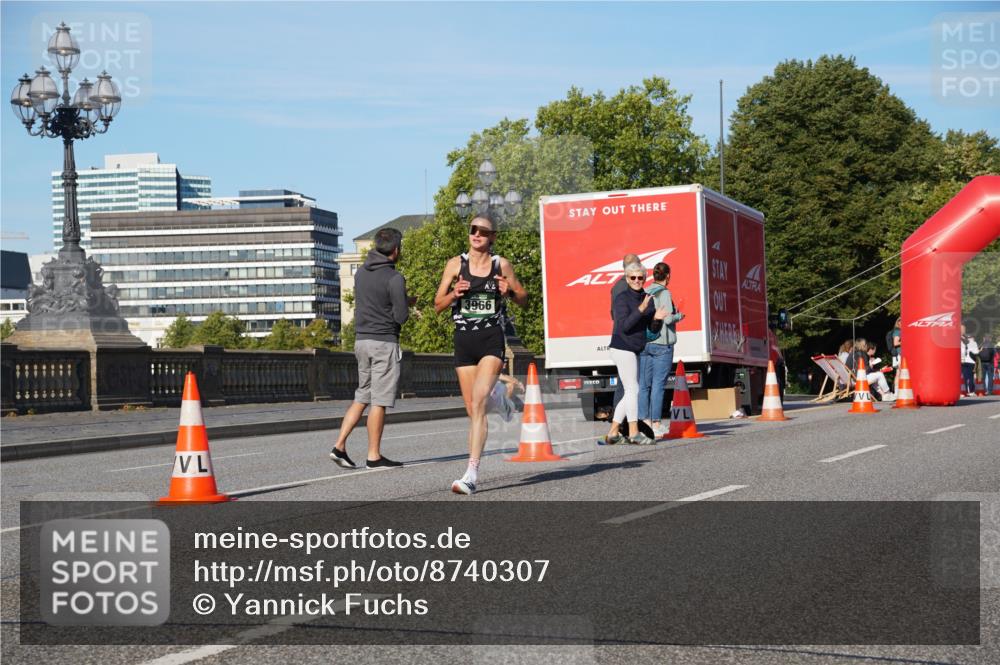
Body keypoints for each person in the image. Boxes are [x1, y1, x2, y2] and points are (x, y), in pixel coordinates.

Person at [434, 214, 528, 495]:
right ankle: (501, 399)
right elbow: (437, 305)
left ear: (493, 237)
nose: (476, 235)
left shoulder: (501, 265)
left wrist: (509, 293)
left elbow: (524, 299)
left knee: (477, 404)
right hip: (463, 341)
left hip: (491, 339)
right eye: (473, 229)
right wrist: (454, 293)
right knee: (472, 407)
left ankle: (471, 474)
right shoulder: (455, 264)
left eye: (483, 231)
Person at [330, 228, 416, 469]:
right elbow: (400, 317)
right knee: (379, 401)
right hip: (383, 342)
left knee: (362, 396)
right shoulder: (395, 278)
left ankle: (339, 446)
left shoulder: (360, 273)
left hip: (361, 341)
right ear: (396, 249)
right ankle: (374, 456)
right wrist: (406, 302)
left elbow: (375, 302)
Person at [601, 262, 668, 446]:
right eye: (633, 277)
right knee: (634, 390)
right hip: (622, 347)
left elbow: (651, 330)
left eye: (640, 277)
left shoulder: (648, 299)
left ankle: (613, 432)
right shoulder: (622, 298)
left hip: (635, 348)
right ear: (627, 278)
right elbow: (625, 326)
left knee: (630, 392)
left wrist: (657, 320)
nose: (637, 281)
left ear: (645, 279)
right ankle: (633, 432)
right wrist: (641, 309)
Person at [637, 262, 683, 439]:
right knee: (658, 385)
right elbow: (668, 319)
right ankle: (656, 423)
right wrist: (679, 316)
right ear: (668, 276)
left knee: (643, 385)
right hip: (662, 344)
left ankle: (644, 423)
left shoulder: (646, 291)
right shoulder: (665, 293)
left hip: (645, 343)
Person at [609, 253, 641, 415]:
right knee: (629, 385)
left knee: (626, 383)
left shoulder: (617, 286)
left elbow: (613, 314)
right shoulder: (625, 289)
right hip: (627, 340)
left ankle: (621, 420)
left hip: (623, 340)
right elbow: (625, 318)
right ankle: (620, 420)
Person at [960, 324, 979, 396]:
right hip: (970, 361)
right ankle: (971, 391)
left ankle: (964, 391)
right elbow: (976, 352)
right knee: (970, 377)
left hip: (962, 361)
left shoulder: (960, 341)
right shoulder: (973, 342)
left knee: (964, 377)